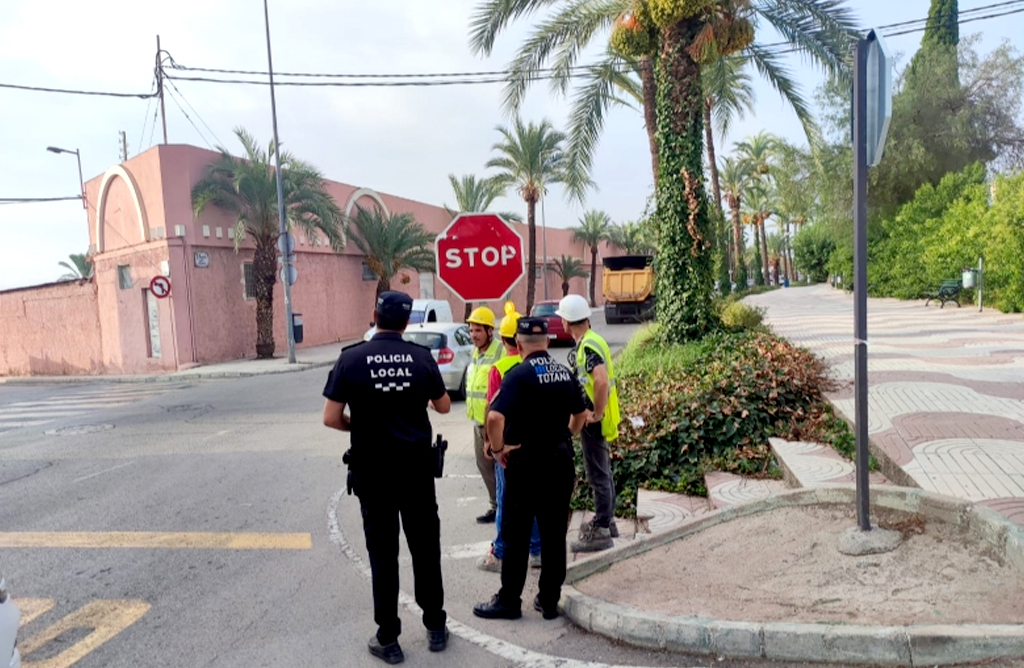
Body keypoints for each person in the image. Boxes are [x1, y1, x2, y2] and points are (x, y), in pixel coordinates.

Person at [322, 291, 451, 664]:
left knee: (383, 554)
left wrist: (360, 426)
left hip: (373, 473)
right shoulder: (421, 357)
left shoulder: (351, 359)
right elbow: (443, 406)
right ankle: (436, 627)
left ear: (374, 315)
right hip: (416, 472)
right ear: (407, 322)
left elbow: (331, 418)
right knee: (425, 549)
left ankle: (389, 639)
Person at [473, 317, 588, 621]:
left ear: (520, 344)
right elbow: (581, 413)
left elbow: (495, 418)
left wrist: (497, 450)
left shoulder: (518, 374)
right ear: (548, 343)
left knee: (516, 534)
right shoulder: (564, 373)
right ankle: (549, 600)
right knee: (553, 534)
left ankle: (509, 600)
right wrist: (567, 433)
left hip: (526, 464)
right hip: (560, 462)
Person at [477, 302, 542, 573]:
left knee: (505, 498)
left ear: (505, 340)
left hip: (508, 445)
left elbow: (492, 411)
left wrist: (492, 445)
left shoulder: (500, 369)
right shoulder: (536, 365)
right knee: (535, 499)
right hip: (536, 443)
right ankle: (537, 550)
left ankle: (500, 552)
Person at [557, 294, 622, 553]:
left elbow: (601, 380)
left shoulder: (588, 347)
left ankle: (602, 529)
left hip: (594, 421)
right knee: (602, 470)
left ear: (567, 320)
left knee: (597, 474)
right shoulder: (590, 341)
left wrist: (595, 411)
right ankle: (609, 521)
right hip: (599, 416)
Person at [465, 305, 503, 524]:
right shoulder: (475, 353)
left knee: (499, 467)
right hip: (478, 421)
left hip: (494, 421)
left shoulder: (500, 351)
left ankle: (503, 506)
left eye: (478, 330)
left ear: (490, 331)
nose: (473, 335)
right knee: (484, 465)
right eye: (471, 331)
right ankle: (495, 505)